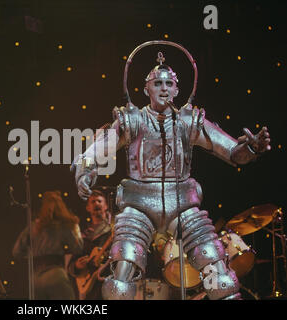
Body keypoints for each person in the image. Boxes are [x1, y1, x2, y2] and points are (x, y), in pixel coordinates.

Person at [72, 52, 271, 300]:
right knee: (122, 273)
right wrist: (86, 169)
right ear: (147, 89)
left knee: (216, 267)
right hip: (139, 205)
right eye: (157, 83)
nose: (163, 88)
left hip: (182, 204)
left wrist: (251, 148)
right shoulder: (131, 120)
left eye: (169, 84)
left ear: (177, 90)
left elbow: (232, 152)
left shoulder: (189, 121)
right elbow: (97, 150)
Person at [12, 191, 83, 299]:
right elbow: (77, 248)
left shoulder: (33, 226)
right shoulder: (63, 225)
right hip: (55, 274)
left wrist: (34, 254)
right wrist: (76, 229)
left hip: (35, 279)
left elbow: (16, 252)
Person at [68, 190, 112, 300]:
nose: (96, 203)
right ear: (88, 207)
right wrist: (77, 265)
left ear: (106, 206)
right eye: (93, 202)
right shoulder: (83, 235)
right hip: (90, 290)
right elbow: (70, 266)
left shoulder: (112, 231)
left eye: (99, 201)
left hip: (109, 284)